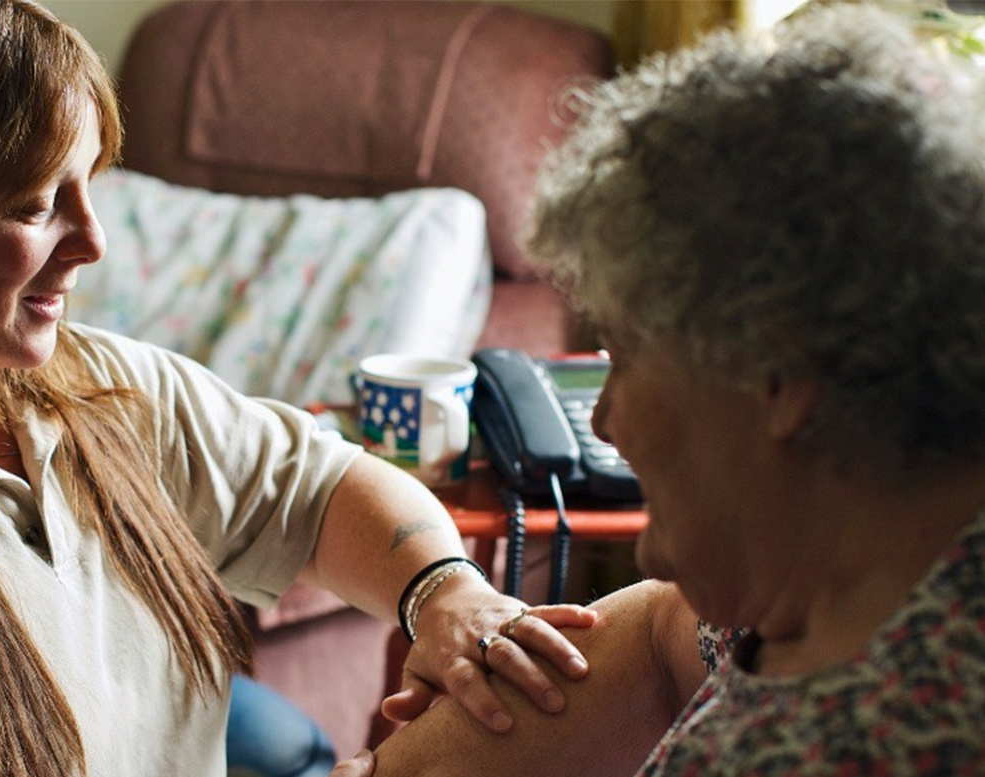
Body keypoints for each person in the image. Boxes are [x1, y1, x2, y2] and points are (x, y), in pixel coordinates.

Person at [0, 2, 603, 775]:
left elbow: (312, 484)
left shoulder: (66, 383)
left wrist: (446, 596)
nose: (94, 242)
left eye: (91, 183)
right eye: (34, 204)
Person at [331, 4, 985, 776]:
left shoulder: (844, 742)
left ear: (776, 376)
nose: (604, 420)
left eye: (631, 354)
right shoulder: (824, 589)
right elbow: (663, 631)